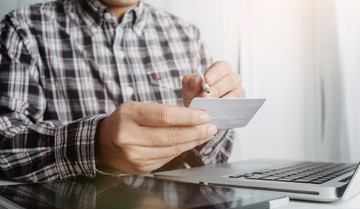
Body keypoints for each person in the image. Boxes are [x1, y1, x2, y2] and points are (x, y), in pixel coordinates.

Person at [0, 0, 245, 182]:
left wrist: (214, 116)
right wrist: (95, 144)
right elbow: (5, 142)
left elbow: (217, 158)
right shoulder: (22, 29)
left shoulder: (187, 34)